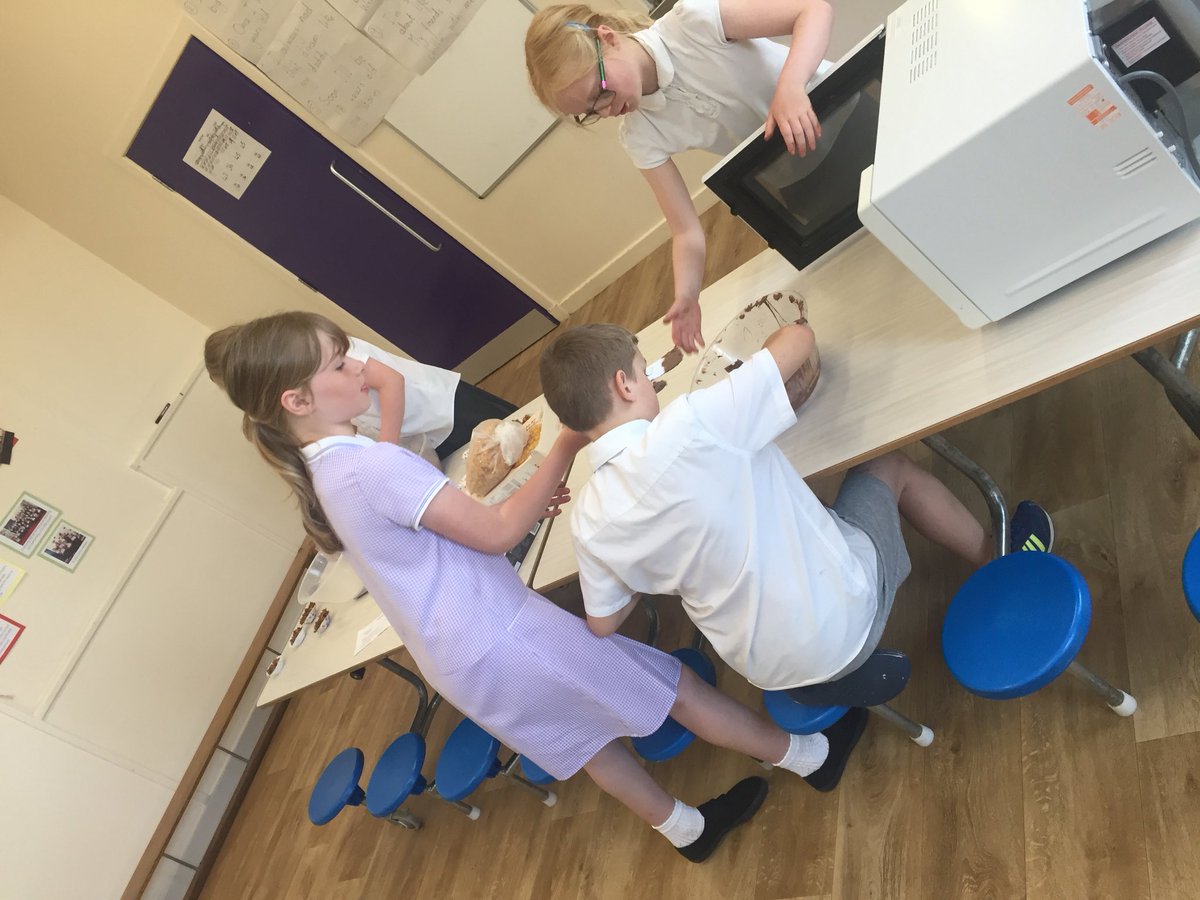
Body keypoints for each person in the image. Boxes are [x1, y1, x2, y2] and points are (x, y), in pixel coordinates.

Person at [205, 310, 870, 864]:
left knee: (587, 742)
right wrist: (565, 447)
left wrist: (512, 508)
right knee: (677, 690)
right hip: (507, 637)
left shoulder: (327, 476)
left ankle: (687, 831)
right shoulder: (370, 467)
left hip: (460, 663)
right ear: (297, 400)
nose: (359, 367)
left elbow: (436, 531)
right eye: (339, 364)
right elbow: (495, 534)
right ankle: (811, 756)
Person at [538, 323, 1056, 693]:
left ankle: (835, 678)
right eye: (643, 373)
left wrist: (654, 565)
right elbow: (798, 338)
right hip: (841, 627)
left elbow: (602, 622)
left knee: (799, 511)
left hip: (766, 672)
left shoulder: (587, 521)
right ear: (624, 384)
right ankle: (1000, 556)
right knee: (888, 464)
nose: (651, 383)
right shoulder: (690, 424)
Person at [525, 0, 834, 354]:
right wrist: (687, 294)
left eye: (600, 92)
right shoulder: (640, 135)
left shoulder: (692, 22)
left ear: (607, 38)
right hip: (795, 180)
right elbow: (685, 230)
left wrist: (791, 86)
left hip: (845, 100)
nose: (606, 110)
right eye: (589, 112)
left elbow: (813, 11)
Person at [206, 323, 512, 466]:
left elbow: (390, 381)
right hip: (419, 437)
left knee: (517, 441)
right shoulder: (297, 381)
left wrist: (387, 453)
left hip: (440, 407)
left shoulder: (312, 348)